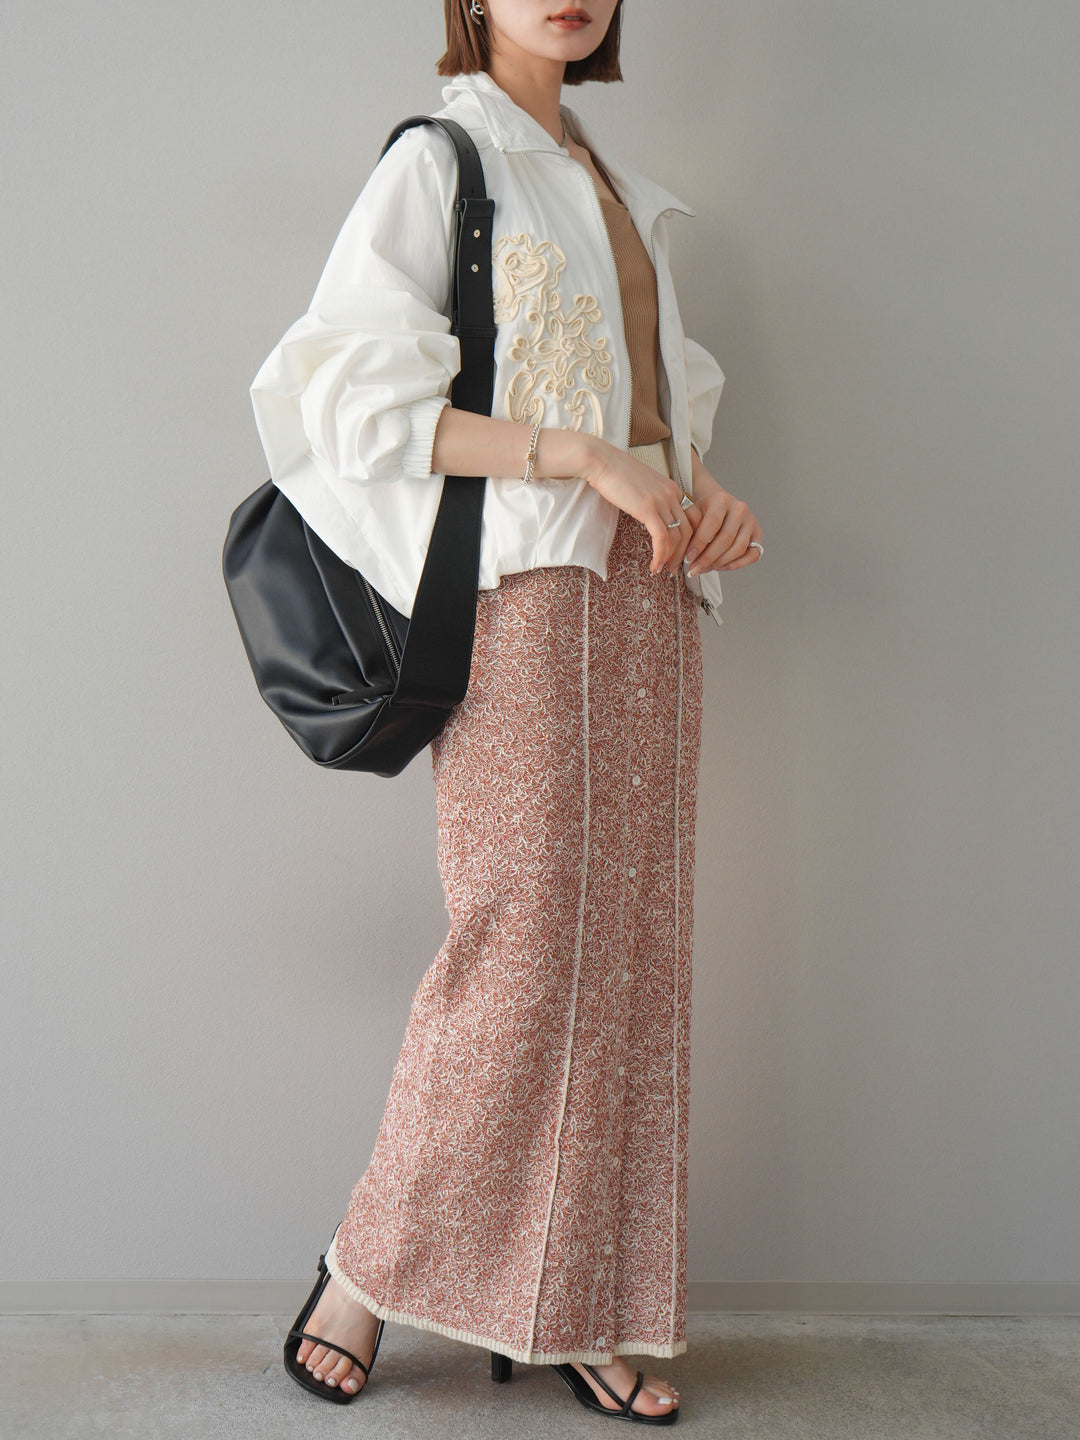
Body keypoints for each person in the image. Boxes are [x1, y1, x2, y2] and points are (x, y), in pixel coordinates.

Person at [249, 0, 762, 1422]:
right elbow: (352, 403)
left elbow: (657, 412)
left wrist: (700, 488)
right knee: (524, 946)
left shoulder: (617, 185)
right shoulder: (441, 161)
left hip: (651, 600)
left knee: (632, 960)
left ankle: (585, 1305)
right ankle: (363, 1272)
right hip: (524, 600)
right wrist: (583, 456)